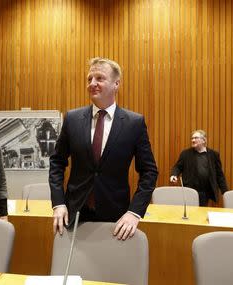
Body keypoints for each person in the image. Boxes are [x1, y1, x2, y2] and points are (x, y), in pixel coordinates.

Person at [49, 57, 158, 241]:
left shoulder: (134, 123)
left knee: (110, 269)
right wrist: (58, 203)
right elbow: (57, 162)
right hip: (74, 214)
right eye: (89, 79)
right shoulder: (72, 119)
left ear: (116, 84)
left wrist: (134, 212)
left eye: (99, 78)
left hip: (116, 218)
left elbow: (149, 171)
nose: (92, 83)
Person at [169, 129, 228, 206]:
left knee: (201, 212)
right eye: (192, 138)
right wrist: (174, 175)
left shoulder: (213, 155)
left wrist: (225, 192)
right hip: (190, 190)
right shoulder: (186, 154)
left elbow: (219, 175)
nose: (193, 140)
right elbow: (177, 167)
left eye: (196, 138)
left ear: (204, 140)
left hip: (205, 192)